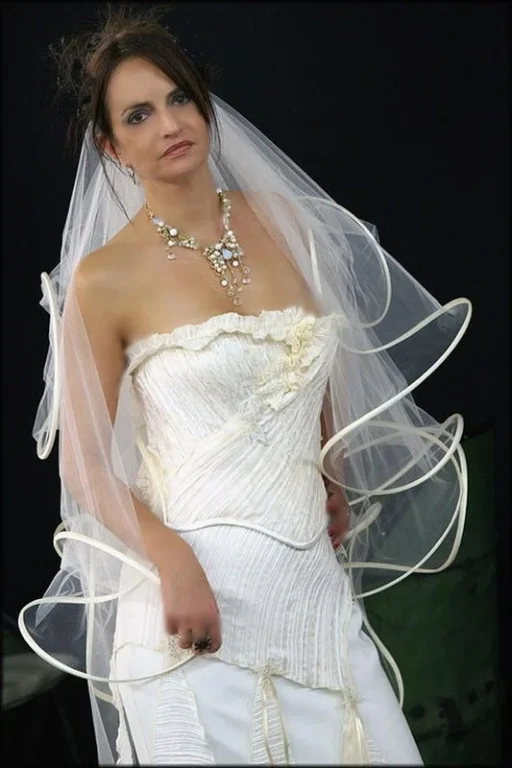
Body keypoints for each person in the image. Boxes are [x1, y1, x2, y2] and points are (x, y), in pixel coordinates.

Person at [19, 6, 472, 765]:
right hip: (191, 608)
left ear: (205, 104)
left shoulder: (288, 221)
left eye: (179, 98)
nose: (169, 123)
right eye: (138, 114)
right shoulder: (103, 279)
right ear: (111, 146)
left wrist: (327, 467)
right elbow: (85, 464)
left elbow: (316, 362)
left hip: (309, 591)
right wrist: (171, 560)